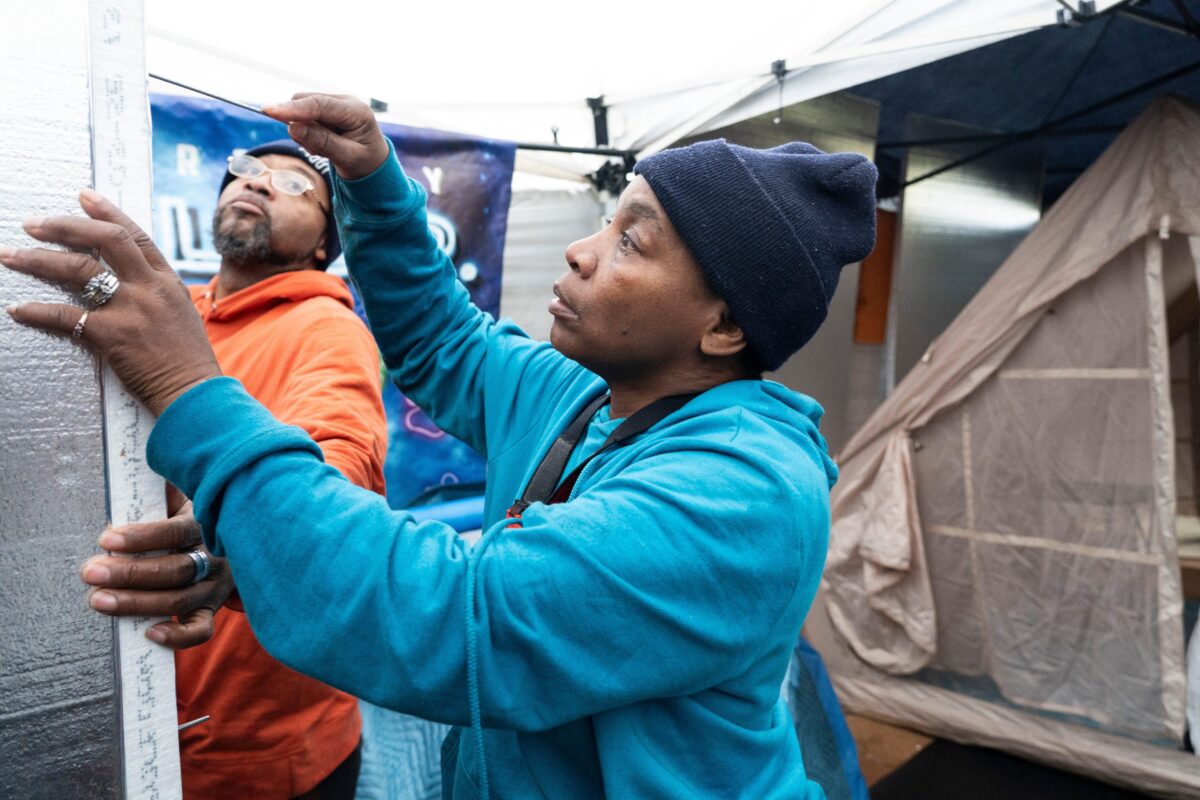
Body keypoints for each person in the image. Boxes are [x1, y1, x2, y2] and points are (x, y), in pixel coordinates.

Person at [2, 93, 876, 799]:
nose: (579, 251)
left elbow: (466, 619)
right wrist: (377, 184)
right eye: (607, 224)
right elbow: (442, 343)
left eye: (630, 242)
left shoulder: (744, 497)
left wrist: (191, 392)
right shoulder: (586, 397)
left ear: (723, 326)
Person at [73, 139, 388, 799]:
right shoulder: (169, 314)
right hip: (135, 726)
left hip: (265, 755)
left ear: (322, 247)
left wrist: (247, 530)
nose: (259, 185)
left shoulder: (325, 328)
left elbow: (342, 458)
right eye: (246, 172)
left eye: (296, 185)